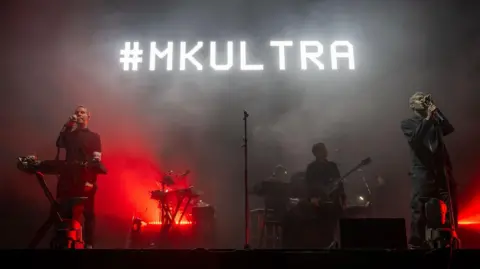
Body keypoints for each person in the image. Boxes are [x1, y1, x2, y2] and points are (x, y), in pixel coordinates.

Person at [400, 92, 457, 249]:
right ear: (412, 105)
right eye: (420, 99)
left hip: (441, 172)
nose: (424, 101)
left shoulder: (434, 120)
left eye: (425, 98)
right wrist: (427, 118)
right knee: (419, 209)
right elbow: (416, 138)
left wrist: (436, 110)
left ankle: (451, 239)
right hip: (422, 173)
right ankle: (416, 244)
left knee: (450, 207)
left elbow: (448, 128)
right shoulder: (408, 123)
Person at [56, 105, 103, 249]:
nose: (79, 114)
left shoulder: (94, 137)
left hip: (85, 178)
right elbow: (59, 143)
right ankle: (64, 242)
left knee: (88, 213)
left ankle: (89, 244)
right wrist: (68, 125)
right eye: (77, 112)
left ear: (89, 116)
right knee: (63, 211)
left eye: (82, 112)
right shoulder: (70, 134)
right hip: (68, 179)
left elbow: (96, 160)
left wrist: (90, 180)